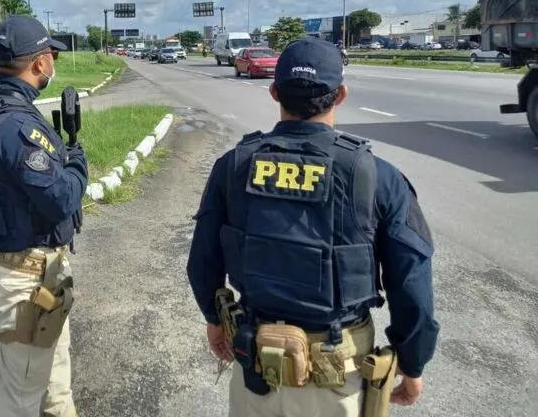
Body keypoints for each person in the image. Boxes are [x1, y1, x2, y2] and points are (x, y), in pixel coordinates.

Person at [186, 37, 439, 417]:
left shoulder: (234, 166)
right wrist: (413, 364)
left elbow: (202, 259)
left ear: (274, 92)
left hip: (253, 370)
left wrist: (213, 320)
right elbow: (412, 282)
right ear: (340, 95)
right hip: (338, 381)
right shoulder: (377, 176)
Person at [0, 15, 88, 417]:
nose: (53, 64)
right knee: (20, 395)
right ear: (41, 62)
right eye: (51, 56)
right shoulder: (15, 126)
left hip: (25, 270)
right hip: (26, 278)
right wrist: (78, 164)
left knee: (53, 379)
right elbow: (60, 197)